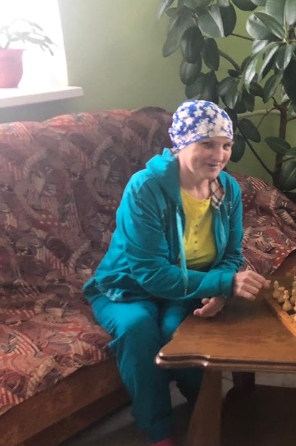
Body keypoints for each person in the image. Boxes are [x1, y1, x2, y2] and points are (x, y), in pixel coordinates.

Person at [83, 100, 270, 446]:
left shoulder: (226, 189)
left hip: (187, 284)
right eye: (207, 143)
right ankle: (159, 430)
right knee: (137, 329)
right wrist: (225, 282)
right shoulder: (146, 188)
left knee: (179, 332)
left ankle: (205, 411)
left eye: (226, 145)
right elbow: (151, 273)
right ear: (182, 143)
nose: (219, 155)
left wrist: (218, 290)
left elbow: (231, 254)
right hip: (127, 287)